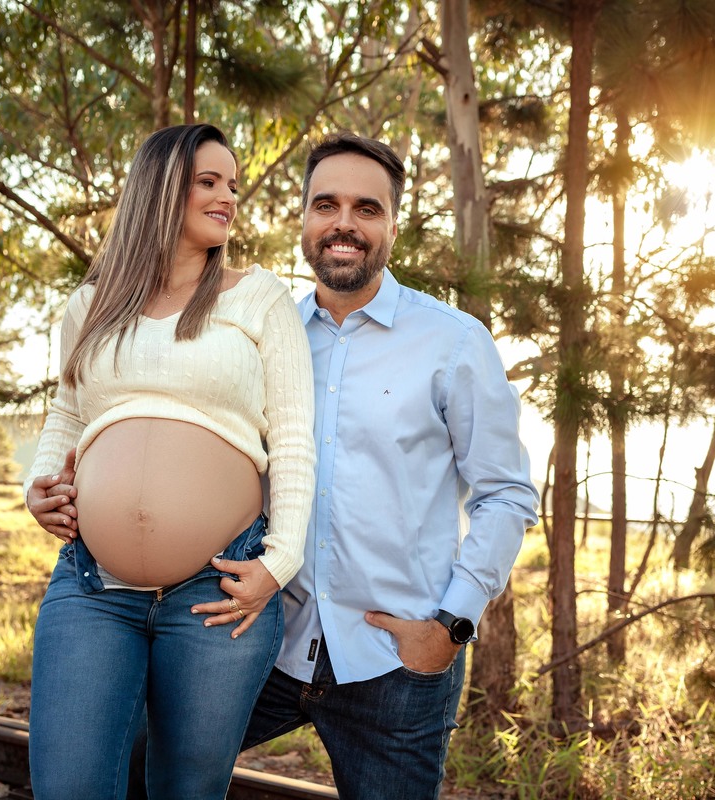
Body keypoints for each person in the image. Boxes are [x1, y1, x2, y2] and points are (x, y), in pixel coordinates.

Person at [191, 133, 541, 798]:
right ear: (304, 220)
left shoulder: (454, 342)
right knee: (139, 764)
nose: (343, 224)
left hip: (396, 664)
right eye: (326, 205)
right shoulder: (267, 337)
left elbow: (505, 493)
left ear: (393, 226)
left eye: (366, 208)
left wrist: (450, 627)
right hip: (263, 641)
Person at [22, 123, 315, 800]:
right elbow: (67, 415)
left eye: (232, 185)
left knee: (188, 789)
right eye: (208, 182)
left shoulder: (258, 298)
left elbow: (295, 439)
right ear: (159, 189)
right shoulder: (90, 304)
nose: (228, 198)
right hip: (93, 584)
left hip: (219, 592)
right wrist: (39, 487)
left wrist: (279, 562)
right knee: (68, 786)